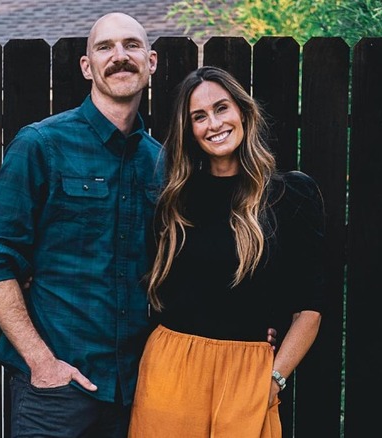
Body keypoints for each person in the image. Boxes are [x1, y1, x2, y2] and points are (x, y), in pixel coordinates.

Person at [0, 12, 277, 437]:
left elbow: (198, 263)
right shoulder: (42, 145)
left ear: (151, 62)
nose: (119, 56)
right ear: (87, 67)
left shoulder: (166, 166)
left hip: (137, 389)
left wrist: (253, 321)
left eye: (130, 46)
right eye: (104, 48)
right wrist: (41, 361)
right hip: (58, 390)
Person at [128, 66, 324, 438]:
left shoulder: (290, 196)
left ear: (243, 112)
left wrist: (272, 381)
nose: (213, 123)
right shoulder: (172, 201)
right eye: (198, 117)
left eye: (221, 108)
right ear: (189, 131)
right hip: (171, 371)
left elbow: (310, 311)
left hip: (247, 375)